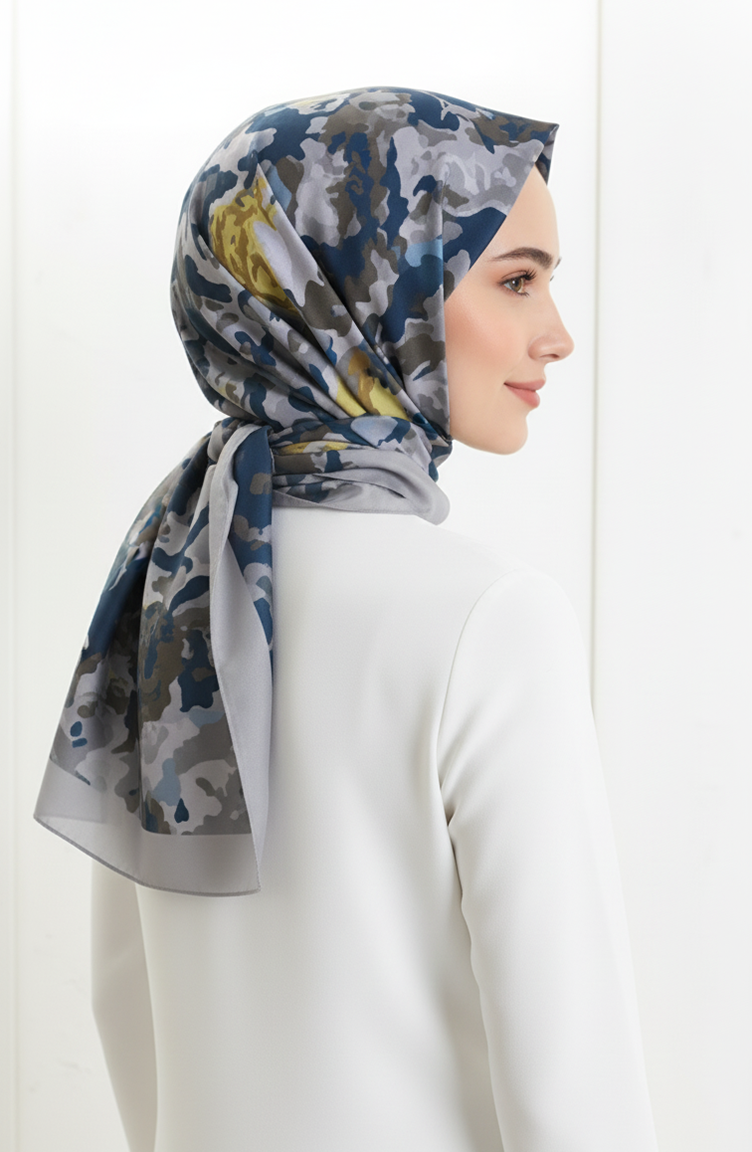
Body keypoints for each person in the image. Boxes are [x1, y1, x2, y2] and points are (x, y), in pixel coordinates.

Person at [35, 88, 659, 1152]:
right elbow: (573, 1084)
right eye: (516, 280)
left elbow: (124, 996)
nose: (556, 336)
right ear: (367, 290)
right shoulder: (492, 620)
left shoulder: (174, 575)